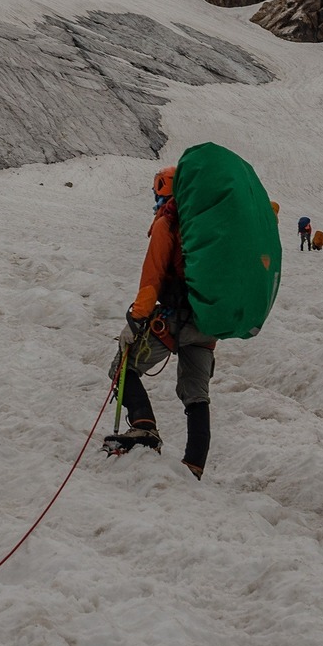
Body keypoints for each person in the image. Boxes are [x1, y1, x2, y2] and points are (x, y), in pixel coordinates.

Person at [109, 165, 216, 476]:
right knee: (196, 394)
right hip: (207, 325)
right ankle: (194, 465)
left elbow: (152, 277)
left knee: (122, 368)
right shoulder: (206, 223)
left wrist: (135, 320)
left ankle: (144, 429)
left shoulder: (168, 221)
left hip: (174, 320)